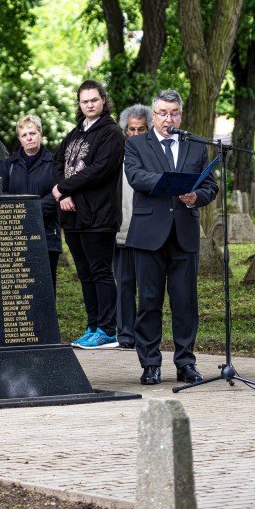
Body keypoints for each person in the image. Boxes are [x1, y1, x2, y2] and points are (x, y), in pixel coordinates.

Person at [124, 88, 218, 386]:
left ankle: (186, 363)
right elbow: (136, 177)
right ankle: (150, 364)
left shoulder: (195, 146)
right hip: (148, 235)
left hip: (184, 234)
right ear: (153, 115)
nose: (169, 119)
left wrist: (196, 197)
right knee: (149, 302)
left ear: (181, 115)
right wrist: (171, 183)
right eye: (163, 113)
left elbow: (210, 186)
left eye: (174, 113)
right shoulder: (136, 144)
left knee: (185, 303)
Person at [52, 79, 124, 349]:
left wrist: (64, 187)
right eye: (85, 101)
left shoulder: (111, 133)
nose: (90, 105)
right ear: (79, 104)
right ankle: (93, 326)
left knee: (100, 272)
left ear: (103, 100)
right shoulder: (75, 133)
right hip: (72, 216)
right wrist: (63, 194)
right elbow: (57, 163)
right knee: (85, 274)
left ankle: (107, 330)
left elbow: (100, 169)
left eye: (94, 100)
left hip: (99, 216)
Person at [0, 114, 61, 288]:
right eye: (24, 135)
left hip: (47, 234)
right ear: (19, 139)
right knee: (20, 288)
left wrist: (30, 209)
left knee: (45, 287)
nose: (29, 138)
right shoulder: (8, 165)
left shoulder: (54, 163)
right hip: (16, 235)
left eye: (32, 133)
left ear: (40, 133)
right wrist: (19, 211)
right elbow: (1, 194)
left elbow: (57, 195)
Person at [115, 104, 152, 349]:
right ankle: (126, 334)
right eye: (131, 129)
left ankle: (145, 335)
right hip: (122, 230)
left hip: (148, 232)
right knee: (124, 285)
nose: (135, 133)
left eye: (141, 129)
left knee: (148, 287)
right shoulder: (117, 157)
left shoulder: (154, 155)